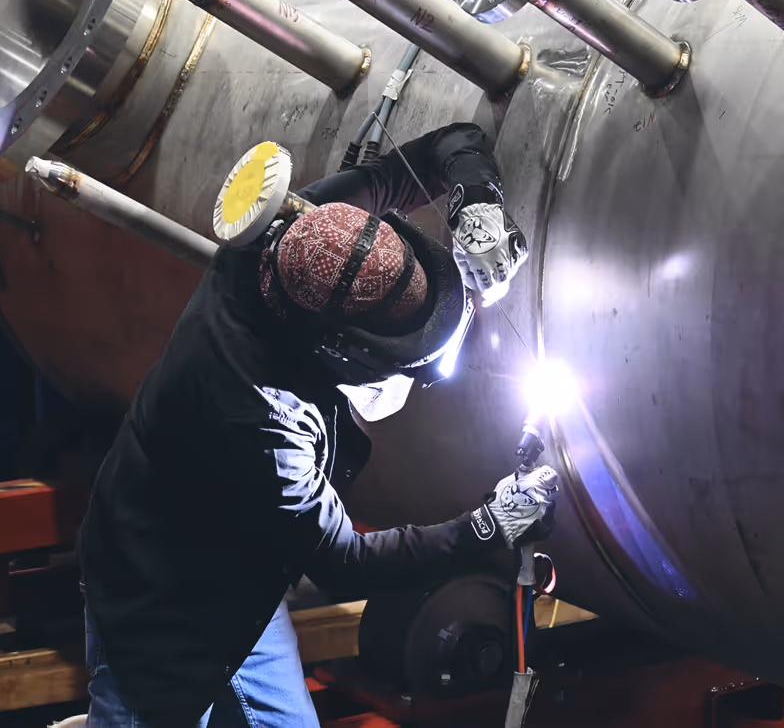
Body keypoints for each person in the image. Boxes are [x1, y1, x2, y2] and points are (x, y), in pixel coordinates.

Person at [75, 123, 560, 727]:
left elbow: (451, 142)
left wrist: (475, 201)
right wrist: (484, 526)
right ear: (340, 349)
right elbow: (345, 561)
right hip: (158, 589)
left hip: (245, 580)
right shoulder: (264, 418)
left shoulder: (311, 235)